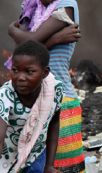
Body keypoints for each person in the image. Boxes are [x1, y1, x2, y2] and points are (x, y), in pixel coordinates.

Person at [6, 0, 86, 172]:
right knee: (31, 163)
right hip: (29, 98)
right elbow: (25, 54)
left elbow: (31, 42)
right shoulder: (32, 9)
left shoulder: (66, 6)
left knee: (63, 163)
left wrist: (13, 31)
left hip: (60, 96)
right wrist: (55, 40)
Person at [0, 40, 63, 173]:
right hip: (7, 158)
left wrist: (49, 166)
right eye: (15, 70)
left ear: (44, 73)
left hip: (36, 153)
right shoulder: (6, 94)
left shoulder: (53, 89)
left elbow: (54, 122)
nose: (21, 77)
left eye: (29, 71)